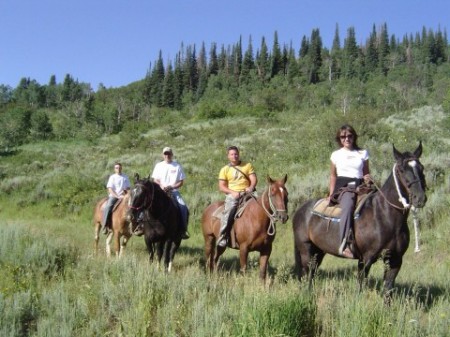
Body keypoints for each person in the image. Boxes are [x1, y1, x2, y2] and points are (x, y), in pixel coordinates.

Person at [328, 124, 371, 258]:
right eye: (343, 136)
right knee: (348, 205)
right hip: (344, 187)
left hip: (361, 185)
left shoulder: (362, 153)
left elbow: (366, 173)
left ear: (354, 137)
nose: (346, 139)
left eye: (349, 136)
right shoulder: (336, 155)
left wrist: (368, 178)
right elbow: (333, 176)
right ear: (339, 139)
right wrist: (331, 194)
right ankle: (345, 243)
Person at [217, 145, 257, 247]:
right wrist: (232, 192)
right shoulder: (224, 169)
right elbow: (221, 186)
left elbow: (253, 178)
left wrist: (251, 187)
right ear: (228, 156)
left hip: (248, 193)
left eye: (236, 154)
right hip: (233, 195)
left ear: (238, 154)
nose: (234, 156)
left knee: (262, 205)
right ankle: (223, 236)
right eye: (232, 154)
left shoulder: (247, 165)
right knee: (228, 212)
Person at [151, 146, 190, 239]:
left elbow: (181, 182)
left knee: (183, 208)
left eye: (168, 153)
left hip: (173, 191)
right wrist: (162, 186)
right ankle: (141, 226)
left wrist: (172, 186)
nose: (167, 155)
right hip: (160, 191)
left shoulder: (177, 166)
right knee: (147, 205)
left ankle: (183, 230)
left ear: (172, 154)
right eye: (165, 154)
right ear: (162, 155)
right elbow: (155, 179)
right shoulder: (159, 165)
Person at [102, 162, 131, 234]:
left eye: (119, 167)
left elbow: (128, 188)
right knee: (108, 207)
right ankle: (105, 225)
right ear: (114, 169)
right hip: (114, 196)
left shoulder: (125, 177)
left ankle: (133, 226)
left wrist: (126, 194)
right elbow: (110, 189)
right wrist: (117, 196)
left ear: (122, 168)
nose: (118, 169)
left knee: (132, 206)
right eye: (117, 168)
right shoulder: (112, 177)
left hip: (123, 196)